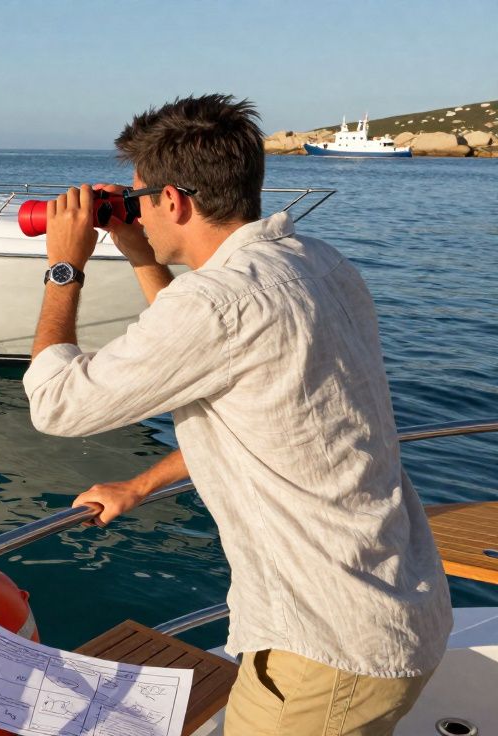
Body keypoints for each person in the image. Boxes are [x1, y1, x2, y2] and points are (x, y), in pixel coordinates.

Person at [23, 94, 450, 735]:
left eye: (138, 197)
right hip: (394, 608)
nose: (134, 208)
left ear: (175, 201)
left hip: (324, 650)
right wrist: (141, 252)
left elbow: (56, 404)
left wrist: (64, 265)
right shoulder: (317, 261)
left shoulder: (221, 303)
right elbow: (245, 404)